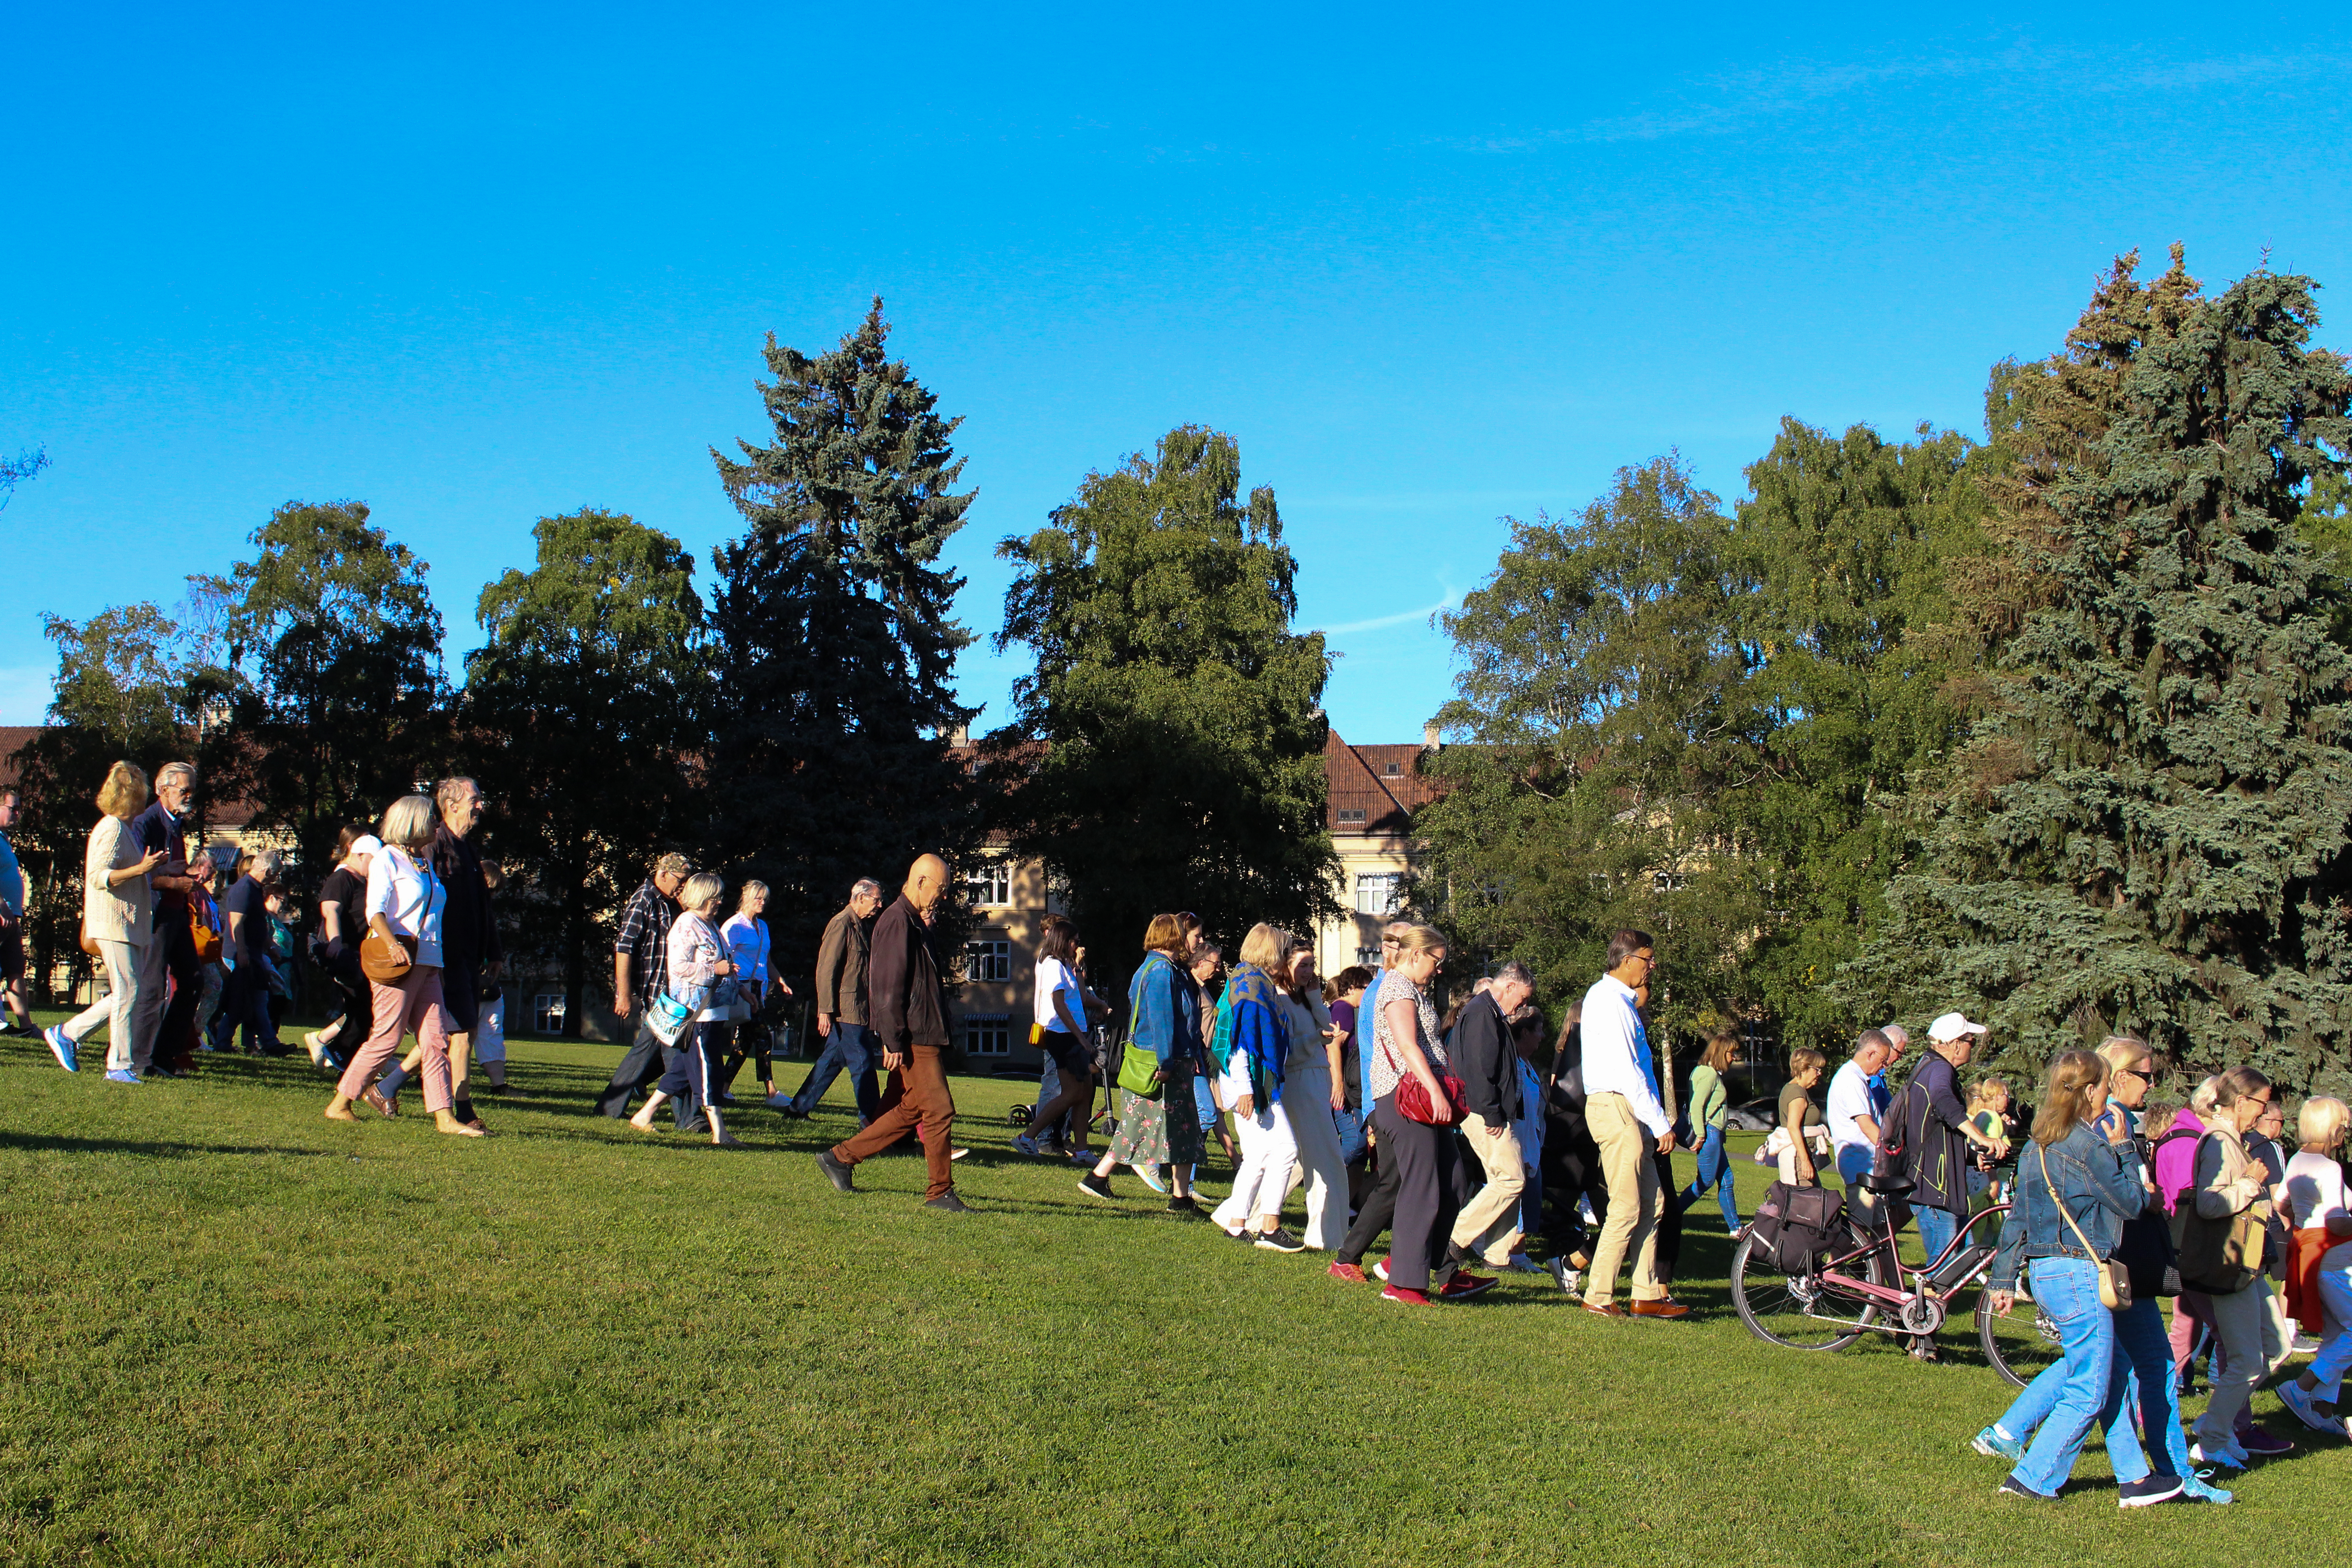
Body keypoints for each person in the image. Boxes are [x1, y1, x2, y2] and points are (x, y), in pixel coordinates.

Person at [1972, 1035, 2224, 1505]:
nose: (2108, 1096)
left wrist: (2004, 1280)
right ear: (2089, 1090)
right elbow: (2130, 1202)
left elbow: (2018, 1219)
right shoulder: (2088, 1144)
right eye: (2105, 1087)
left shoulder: (2037, 1145)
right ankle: (2030, 1477)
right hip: (2079, 1272)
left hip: (2047, 1273)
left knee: (2104, 1377)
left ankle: (2133, 1478)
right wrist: (2125, 1149)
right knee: (2089, 1387)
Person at [813, 855, 967, 1211]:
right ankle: (940, 1192)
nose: (941, 897)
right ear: (921, 881)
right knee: (940, 1110)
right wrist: (892, 1038)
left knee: (910, 1109)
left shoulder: (913, 923)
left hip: (923, 1031)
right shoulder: (897, 921)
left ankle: (839, 1158)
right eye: (940, 889)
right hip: (914, 1035)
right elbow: (886, 986)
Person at [322, 794, 482, 1137]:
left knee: (436, 1040)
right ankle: (340, 1102)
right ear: (412, 822)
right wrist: (393, 944)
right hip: (400, 962)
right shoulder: (387, 859)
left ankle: (445, 1118)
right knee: (387, 1037)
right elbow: (374, 910)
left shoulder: (423, 861)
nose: (437, 824)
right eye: (431, 818)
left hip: (428, 962)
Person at [1363, 924, 1484, 1305]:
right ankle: (1403, 1283)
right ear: (1416, 955)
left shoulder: (1415, 989)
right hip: (1404, 1098)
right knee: (1422, 1187)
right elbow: (1407, 1045)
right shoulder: (1397, 987)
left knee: (1454, 1181)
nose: (1439, 969)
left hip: (1420, 1100)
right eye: (1436, 960)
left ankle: (1425, 1262)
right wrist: (1435, 1090)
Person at [2180, 1066, 2289, 1468]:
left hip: (2247, 1263)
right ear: (2242, 1101)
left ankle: (2216, 1424)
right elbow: (2209, 1203)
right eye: (2261, 1104)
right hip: (2229, 1263)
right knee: (2246, 1358)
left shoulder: (2232, 1140)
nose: (2264, 1114)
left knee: (2277, 1347)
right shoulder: (2219, 1142)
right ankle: (2212, 1441)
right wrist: (2250, 1183)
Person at [1577, 929, 1684, 1318]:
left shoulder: (1617, 1001)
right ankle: (1598, 1295)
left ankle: (1646, 1291)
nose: (1651, 966)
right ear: (1626, 960)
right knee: (1624, 1206)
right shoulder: (1610, 1002)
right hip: (1617, 1106)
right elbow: (1628, 1071)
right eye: (1647, 958)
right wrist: (1660, 1123)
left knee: (1652, 1201)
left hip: (1627, 1108)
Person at [1078, 913, 1208, 1218]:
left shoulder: (1152, 968)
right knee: (1176, 1126)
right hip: (1165, 1064)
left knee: (1161, 1126)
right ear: (1174, 936)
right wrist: (1166, 1063)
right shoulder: (1163, 972)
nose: (1199, 940)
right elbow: (1162, 1022)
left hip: (1160, 1061)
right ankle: (1177, 1198)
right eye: (1195, 935)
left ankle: (1101, 1178)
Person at [44, 761, 162, 1080]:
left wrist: (153, 867)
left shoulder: (124, 829)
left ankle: (67, 1033)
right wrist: (141, 868)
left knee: (130, 990)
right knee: (129, 990)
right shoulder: (110, 828)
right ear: (130, 796)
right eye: (142, 794)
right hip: (112, 922)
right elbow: (99, 876)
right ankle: (119, 1065)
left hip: (127, 923)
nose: (145, 800)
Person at [1883, 1012, 2005, 1281]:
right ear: (1955, 1044)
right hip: (1934, 1188)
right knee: (1942, 1266)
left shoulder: (1930, 1066)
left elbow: (1938, 1133)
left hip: (1938, 1185)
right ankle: (1919, 1314)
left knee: (1955, 1261)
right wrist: (1983, 1138)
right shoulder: (1939, 1070)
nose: (1973, 1045)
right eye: (1971, 1040)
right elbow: (1943, 1104)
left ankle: (1927, 1310)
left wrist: (1973, 1157)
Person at [1207, 925, 1306, 1251]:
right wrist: (1247, 1090)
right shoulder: (1251, 986)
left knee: (1258, 1156)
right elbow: (1240, 1045)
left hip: (1251, 1084)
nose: (1287, 957)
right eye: (1284, 951)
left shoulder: (1248, 980)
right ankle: (1269, 1225)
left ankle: (1237, 1225)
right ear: (1272, 952)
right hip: (1253, 1085)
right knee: (1287, 1149)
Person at [1329, 923, 1416, 1284]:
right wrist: (1370, 1112)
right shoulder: (1383, 992)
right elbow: (1375, 1056)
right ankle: (1351, 1257)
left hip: (1394, 1103)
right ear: (1393, 950)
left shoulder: (1395, 989)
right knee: (1394, 1182)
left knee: (1405, 1181)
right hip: (1389, 1103)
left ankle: (1429, 1260)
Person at [629, 873, 743, 1147]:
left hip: (715, 1012)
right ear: (702, 897)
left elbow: (724, 964)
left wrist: (742, 989)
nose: (719, 902)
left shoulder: (712, 925)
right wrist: (713, 970)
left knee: (680, 1071)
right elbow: (678, 967)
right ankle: (720, 1133)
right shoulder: (686, 925)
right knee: (709, 1070)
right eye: (715, 896)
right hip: (697, 1014)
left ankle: (644, 1115)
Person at [593, 852, 697, 1126]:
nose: (683, 887)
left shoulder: (670, 903)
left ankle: (609, 1107)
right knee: (677, 1052)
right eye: (680, 880)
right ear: (663, 874)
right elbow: (625, 947)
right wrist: (623, 993)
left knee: (647, 1052)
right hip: (656, 995)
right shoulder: (644, 899)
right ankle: (688, 1118)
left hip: (671, 993)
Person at [1447, 959, 1536, 1269]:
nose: (1522, 1006)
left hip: (1491, 1111)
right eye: (1522, 999)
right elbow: (1478, 1070)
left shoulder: (1490, 1013)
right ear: (1509, 986)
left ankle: (1497, 1256)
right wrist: (1493, 1115)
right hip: (1484, 1113)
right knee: (1511, 1179)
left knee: (1510, 1178)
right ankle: (1456, 1237)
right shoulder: (1482, 1013)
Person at [425, 777, 501, 1130]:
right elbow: (427, 901)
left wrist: (493, 950)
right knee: (453, 1033)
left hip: (468, 956)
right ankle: (460, 1111)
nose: (481, 805)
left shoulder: (469, 850)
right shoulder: (435, 845)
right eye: (475, 798)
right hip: (443, 955)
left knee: (461, 1032)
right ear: (452, 804)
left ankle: (384, 1087)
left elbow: (482, 905)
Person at [2277, 1095, 2352, 1439]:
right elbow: (2337, 1222)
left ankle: (2322, 1408)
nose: (2345, 1132)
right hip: (2333, 1257)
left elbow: (2282, 1202)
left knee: (2338, 1333)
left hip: (2311, 1253)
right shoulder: (2329, 1167)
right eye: (2343, 1125)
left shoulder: (2297, 1159)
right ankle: (2300, 1387)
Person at [784, 878, 882, 1120]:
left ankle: (797, 1110)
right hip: (845, 1010)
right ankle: (872, 1122)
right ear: (860, 898)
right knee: (863, 1063)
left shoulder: (859, 925)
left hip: (855, 1008)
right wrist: (825, 1009)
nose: (880, 905)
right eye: (876, 899)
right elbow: (826, 969)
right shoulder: (842, 924)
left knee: (831, 1061)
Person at [126, 762, 200, 1077]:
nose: (189, 797)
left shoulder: (176, 823)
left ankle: (164, 1055)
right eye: (184, 790)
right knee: (152, 988)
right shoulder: (146, 823)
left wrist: (184, 875)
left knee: (193, 982)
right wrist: (172, 882)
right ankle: (141, 1061)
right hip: (156, 915)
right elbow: (134, 874)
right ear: (162, 789)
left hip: (176, 913)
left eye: (192, 791)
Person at [1276, 940, 1349, 1250]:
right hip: (1300, 1081)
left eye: (1311, 965)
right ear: (1285, 966)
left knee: (1307, 1161)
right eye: (1302, 965)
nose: (1308, 971)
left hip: (1314, 1079)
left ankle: (1245, 1217)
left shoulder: (1303, 998)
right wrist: (1314, 1040)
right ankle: (1326, 1237)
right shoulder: (1279, 1000)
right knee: (1327, 1159)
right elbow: (1287, 1051)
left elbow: (1328, 1026)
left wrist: (1315, 996)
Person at [1015, 916, 1093, 1157]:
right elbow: (1059, 1005)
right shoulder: (1052, 965)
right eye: (1074, 941)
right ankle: (1027, 1137)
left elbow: (1078, 996)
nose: (1077, 946)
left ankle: (1081, 1151)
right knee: (1071, 1093)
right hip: (1063, 1036)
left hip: (1072, 1035)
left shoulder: (1065, 964)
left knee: (1085, 1092)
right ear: (1063, 940)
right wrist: (1081, 1038)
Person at [304, 826, 378, 1072]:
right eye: (372, 860)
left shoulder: (361, 880)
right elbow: (330, 909)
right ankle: (340, 1052)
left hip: (356, 953)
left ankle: (339, 1052)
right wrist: (336, 941)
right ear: (357, 855)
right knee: (363, 1007)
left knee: (363, 1008)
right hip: (341, 953)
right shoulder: (342, 878)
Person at [208, 848, 287, 1056]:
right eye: (276, 873)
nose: (276, 878)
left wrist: (269, 946)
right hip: (240, 954)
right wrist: (242, 952)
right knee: (245, 1000)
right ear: (267, 870)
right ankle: (267, 1043)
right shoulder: (244, 888)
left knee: (250, 1000)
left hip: (252, 953)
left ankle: (228, 1042)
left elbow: (257, 923)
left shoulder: (255, 888)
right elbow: (237, 923)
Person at [717, 880, 788, 1104]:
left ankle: (723, 1087)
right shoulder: (734, 926)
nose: (763, 902)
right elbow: (724, 956)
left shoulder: (763, 926)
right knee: (763, 1035)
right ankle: (771, 1091)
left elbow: (765, 958)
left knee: (745, 1042)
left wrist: (780, 980)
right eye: (759, 898)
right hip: (742, 987)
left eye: (765, 898)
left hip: (758, 989)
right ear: (747, 898)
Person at [1676, 1030, 1741, 1234]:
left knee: (1727, 1179)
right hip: (1709, 1134)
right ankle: (1672, 1215)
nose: (1734, 1058)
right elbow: (1697, 1106)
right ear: (1721, 1053)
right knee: (1704, 1182)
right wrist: (1702, 1135)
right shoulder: (1708, 1074)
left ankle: (1736, 1227)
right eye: (1731, 1054)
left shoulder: (1706, 1072)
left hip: (1714, 1135)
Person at [1825, 1029, 1892, 1197]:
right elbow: (1867, 1126)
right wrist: (1892, 1151)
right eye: (1883, 1060)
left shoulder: (1857, 1079)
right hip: (1862, 1167)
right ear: (1871, 1054)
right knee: (1865, 1221)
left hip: (1865, 1165)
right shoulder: (1851, 1081)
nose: (1884, 1066)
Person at [1187, 942, 1235, 1171]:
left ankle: (1189, 1179)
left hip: (1206, 1058)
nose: (1217, 968)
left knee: (1211, 1113)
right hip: (1196, 1057)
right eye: (1215, 964)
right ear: (1200, 963)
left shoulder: (1202, 987)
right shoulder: (1192, 987)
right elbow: (1190, 1024)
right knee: (1207, 1114)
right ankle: (1181, 1167)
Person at [1327, 964, 1372, 1169]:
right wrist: (1338, 1084)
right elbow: (1334, 1045)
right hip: (1343, 1089)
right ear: (1352, 988)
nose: (1370, 993)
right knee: (1355, 1143)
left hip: (1351, 1088)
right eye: (1367, 988)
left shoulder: (1349, 1010)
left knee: (1361, 1155)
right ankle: (1325, 1174)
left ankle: (1351, 1201)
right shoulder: (1344, 1008)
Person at [0, 787, 32, 1039]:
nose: (18, 814)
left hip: (11, 915)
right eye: (13, 808)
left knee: (15, 969)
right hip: (2, 913)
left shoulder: (4, 839)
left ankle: (26, 1026)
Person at [1770, 1049, 1829, 1185]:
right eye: (1817, 1070)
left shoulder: (1791, 1089)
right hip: (1797, 1157)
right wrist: (1805, 1161)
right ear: (1804, 1069)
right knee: (1806, 1203)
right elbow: (1793, 1127)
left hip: (1800, 1154)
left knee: (1815, 1200)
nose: (1820, 1074)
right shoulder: (1797, 1093)